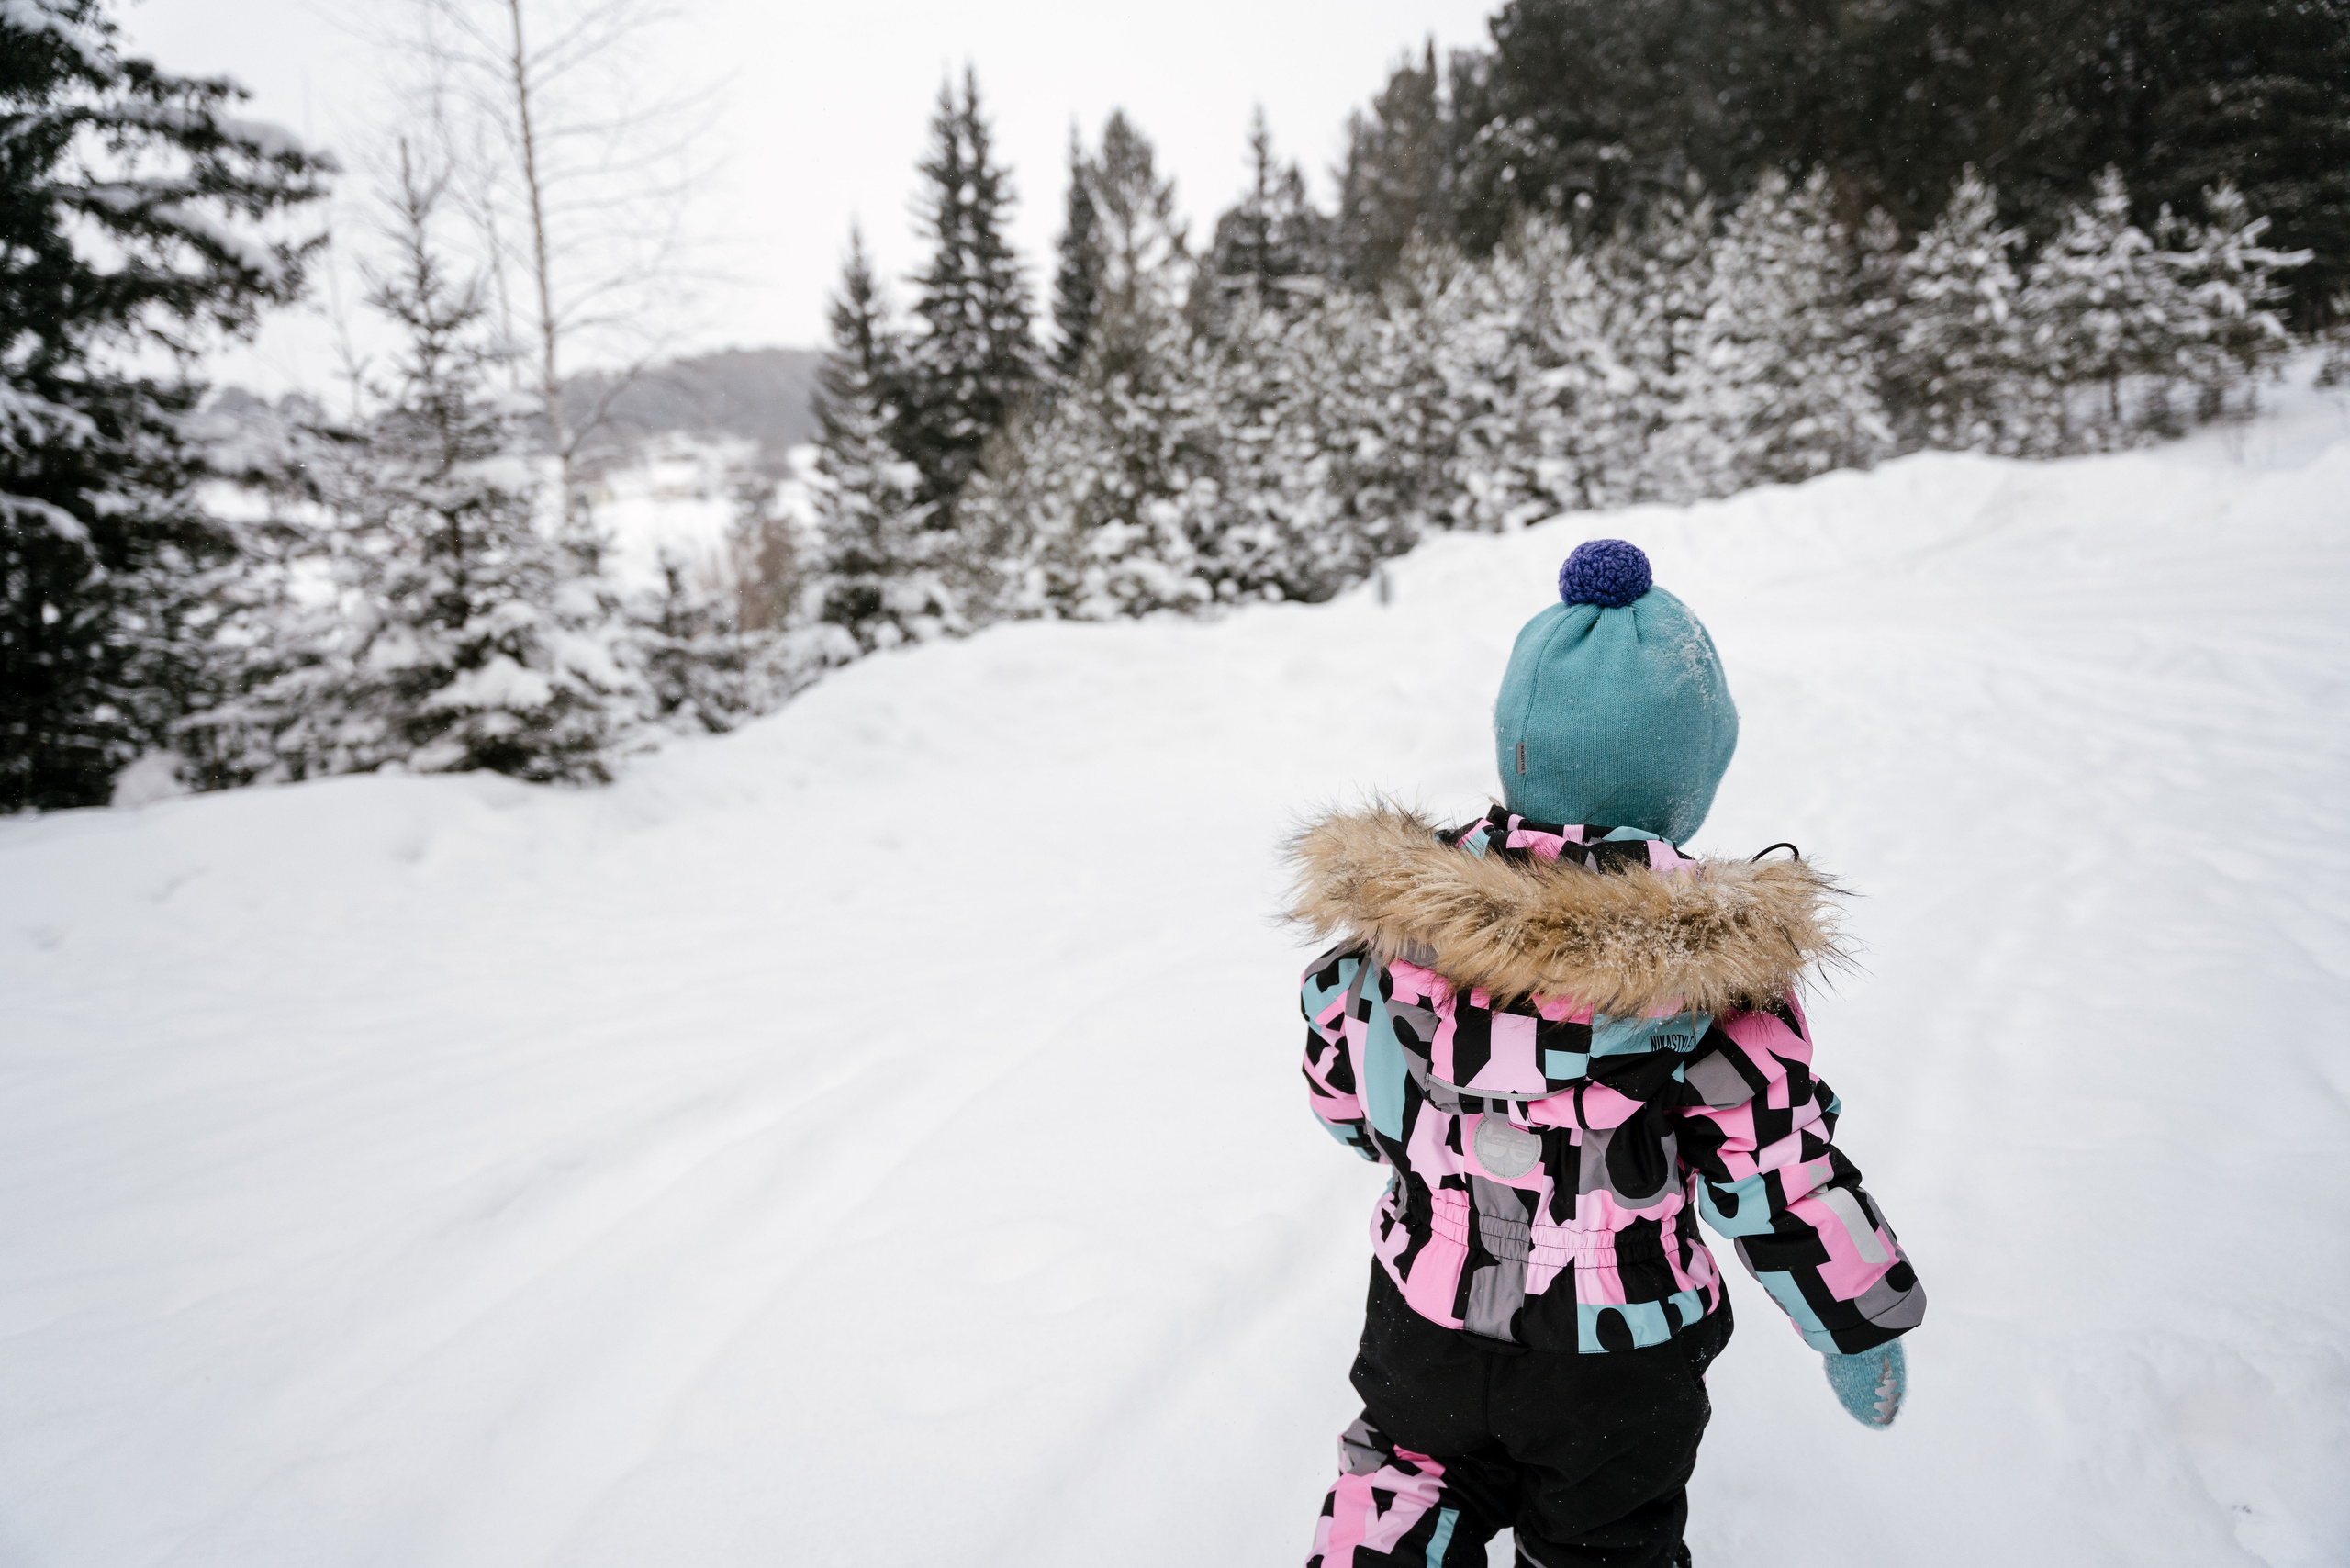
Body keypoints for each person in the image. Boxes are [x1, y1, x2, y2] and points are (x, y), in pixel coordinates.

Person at [1286, 540, 1923, 1568]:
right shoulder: (1712, 985)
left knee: (1402, 1487)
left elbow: (1346, 1097)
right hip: (1613, 1359)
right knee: (1602, 1542)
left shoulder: (1397, 933)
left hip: (1422, 1317)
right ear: (1690, 775)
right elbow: (1777, 1179)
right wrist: (1857, 1322)